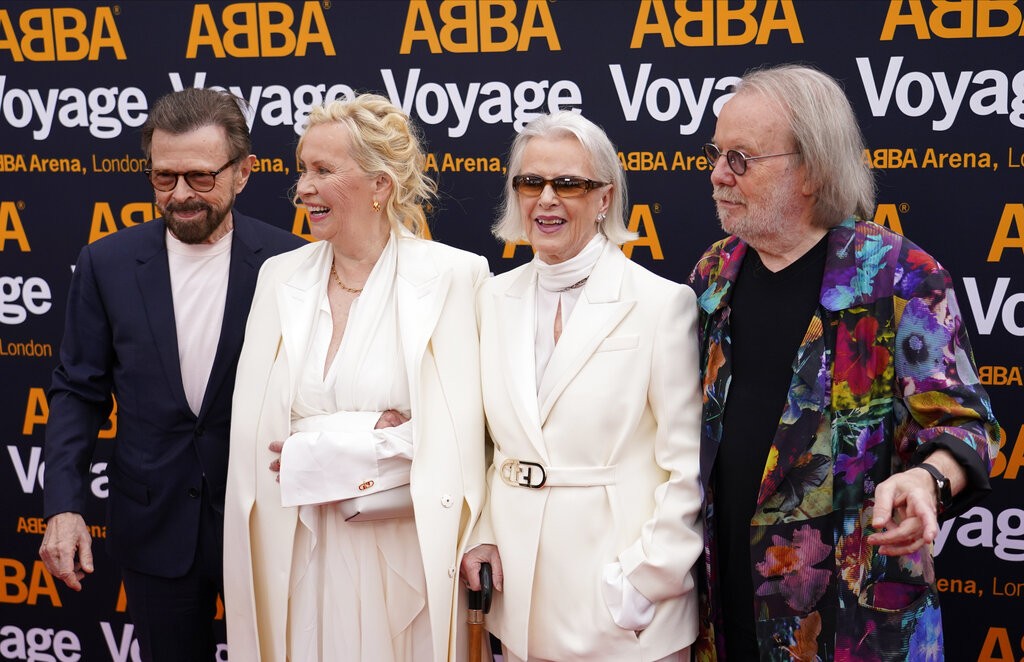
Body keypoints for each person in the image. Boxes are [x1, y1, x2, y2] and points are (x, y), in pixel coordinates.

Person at [688, 64, 1000, 661]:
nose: (718, 174)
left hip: (853, 628)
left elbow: (967, 427)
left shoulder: (901, 277)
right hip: (725, 618)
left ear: (810, 170)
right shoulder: (712, 275)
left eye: (741, 159)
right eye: (716, 153)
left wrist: (928, 480)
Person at [222, 94, 489, 662]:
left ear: (380, 185)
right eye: (303, 170)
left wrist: (324, 445)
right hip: (296, 548)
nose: (303, 188)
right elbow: (258, 435)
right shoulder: (277, 277)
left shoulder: (455, 277)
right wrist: (375, 433)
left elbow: (461, 440)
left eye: (324, 170)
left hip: (402, 554)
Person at [39, 87, 303, 661]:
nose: (180, 194)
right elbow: (78, 392)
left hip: (266, 523)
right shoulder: (106, 263)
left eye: (201, 177)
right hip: (152, 524)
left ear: (243, 173)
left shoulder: (292, 264)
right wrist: (63, 504)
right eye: (164, 177)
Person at [460, 111, 704, 662]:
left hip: (627, 612)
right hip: (520, 604)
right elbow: (482, 444)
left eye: (567, 183)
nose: (546, 199)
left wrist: (643, 582)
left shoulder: (660, 303)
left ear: (603, 199)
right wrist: (483, 530)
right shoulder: (490, 300)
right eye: (531, 182)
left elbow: (686, 465)